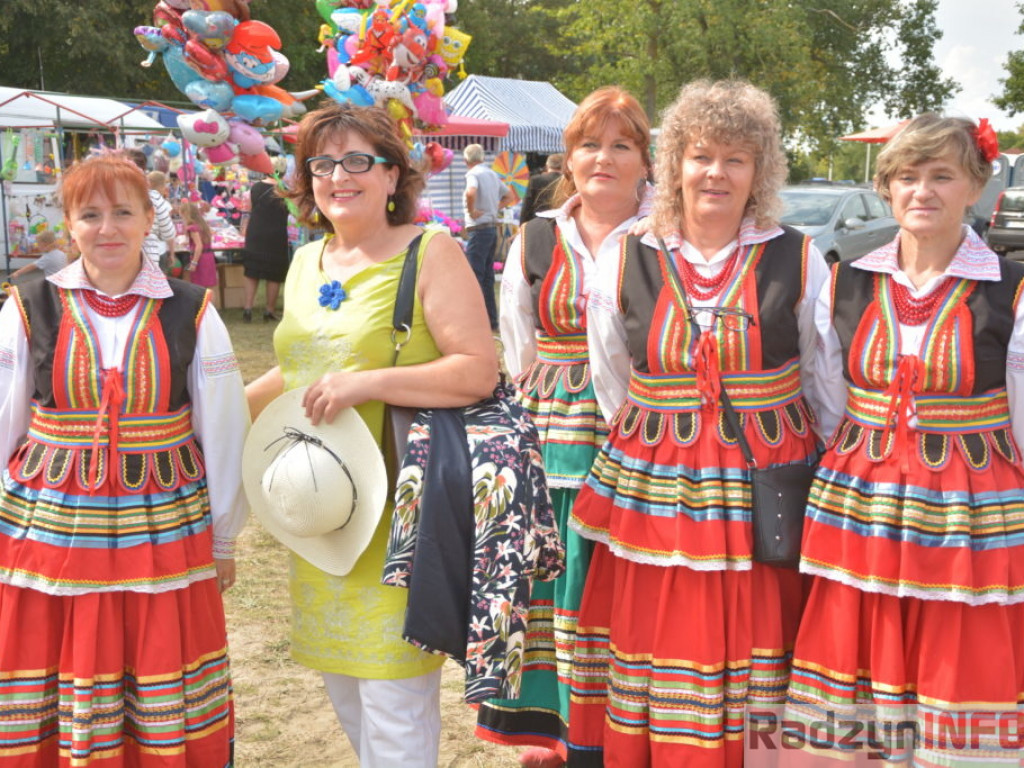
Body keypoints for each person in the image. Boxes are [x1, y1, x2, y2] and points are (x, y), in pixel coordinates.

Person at [566, 79, 830, 767]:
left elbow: (821, 379)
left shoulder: (797, 257)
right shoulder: (625, 255)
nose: (716, 173)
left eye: (737, 159)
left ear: (760, 172)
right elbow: (611, 377)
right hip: (657, 481)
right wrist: (671, 431)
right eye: (702, 156)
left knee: (757, 627)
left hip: (761, 482)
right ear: (675, 161)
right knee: (659, 626)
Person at [244, 102, 498, 767]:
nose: (338, 176)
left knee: (395, 713)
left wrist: (368, 383)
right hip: (324, 516)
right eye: (322, 163)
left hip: (400, 526)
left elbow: (477, 370)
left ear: (394, 175)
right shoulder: (305, 263)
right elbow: (298, 368)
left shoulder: (429, 251)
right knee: (353, 704)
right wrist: (211, 412)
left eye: (359, 160)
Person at [781, 115, 1024, 766]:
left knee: (956, 654)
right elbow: (828, 393)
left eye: (942, 175)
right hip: (863, 504)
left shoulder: (1010, 288)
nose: (923, 191)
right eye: (906, 177)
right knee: (858, 647)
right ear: (886, 188)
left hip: (966, 516)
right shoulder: (850, 278)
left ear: (976, 185)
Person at [0, 153, 248, 765]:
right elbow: (3, 417)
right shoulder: (30, 304)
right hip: (50, 524)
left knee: (155, 645)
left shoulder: (192, 308)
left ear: (147, 222)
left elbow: (222, 428)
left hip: (163, 523)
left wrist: (223, 538)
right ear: (69, 224)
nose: (106, 228)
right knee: (50, 647)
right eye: (89, 214)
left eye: (122, 212)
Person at [476, 87, 652, 768]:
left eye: (620, 145)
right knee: (547, 586)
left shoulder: (664, 237)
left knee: (610, 583)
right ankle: (553, 734)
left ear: (644, 161)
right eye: (588, 144)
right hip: (550, 431)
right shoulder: (536, 237)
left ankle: (617, 732)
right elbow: (517, 346)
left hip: (638, 432)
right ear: (567, 159)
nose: (602, 158)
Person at [463, 143, 514, 331]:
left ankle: (476, 321)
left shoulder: (473, 174)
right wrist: (494, 208)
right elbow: (509, 196)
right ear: (483, 157)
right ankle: (491, 320)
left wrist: (471, 210)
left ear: (466, 160)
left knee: (475, 275)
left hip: (479, 227)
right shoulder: (492, 174)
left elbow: (471, 192)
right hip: (491, 227)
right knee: (487, 277)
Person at [241, 173, 290, 322]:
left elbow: (248, 210)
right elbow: (292, 210)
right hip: (276, 233)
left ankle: (248, 308)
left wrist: (244, 229)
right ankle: (269, 310)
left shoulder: (255, 188)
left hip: (256, 231)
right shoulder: (284, 189)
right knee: (274, 273)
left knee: (252, 271)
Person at [124, 149, 176, 273]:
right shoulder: (153, 198)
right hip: (149, 262)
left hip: (118, 264)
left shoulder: (109, 197)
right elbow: (168, 233)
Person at [179, 199, 219, 294]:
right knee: (209, 287)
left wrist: (194, 262)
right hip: (209, 257)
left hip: (200, 259)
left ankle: (203, 307)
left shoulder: (193, 227)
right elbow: (201, 241)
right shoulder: (202, 225)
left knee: (199, 287)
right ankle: (210, 307)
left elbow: (199, 245)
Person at [519, 153, 564, 224]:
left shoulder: (535, 180)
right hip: (561, 222)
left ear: (547, 166)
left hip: (538, 222)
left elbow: (527, 205)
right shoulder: (567, 181)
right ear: (563, 166)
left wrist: (522, 224)